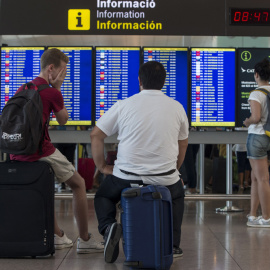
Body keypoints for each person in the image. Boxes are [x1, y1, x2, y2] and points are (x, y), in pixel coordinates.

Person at [91, 61, 189, 263]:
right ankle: (172, 245)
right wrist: (173, 171)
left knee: (103, 196)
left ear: (139, 81)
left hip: (126, 177)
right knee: (177, 196)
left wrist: (102, 167)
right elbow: (183, 145)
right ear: (164, 82)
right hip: (165, 179)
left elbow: (96, 135)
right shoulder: (177, 107)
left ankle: (109, 228)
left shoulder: (124, 105)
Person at [10, 48, 103, 252]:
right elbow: (63, 119)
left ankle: (57, 235)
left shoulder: (23, 87)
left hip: (17, 152)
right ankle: (85, 240)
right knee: (78, 184)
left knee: (46, 189)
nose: (64, 76)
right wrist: (58, 87)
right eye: (63, 72)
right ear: (51, 68)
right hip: (40, 151)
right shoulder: (52, 92)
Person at [244, 58, 270, 227]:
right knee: (255, 176)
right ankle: (253, 215)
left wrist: (247, 121)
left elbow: (256, 117)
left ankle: (266, 218)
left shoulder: (256, 93)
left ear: (256, 74)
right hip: (268, 137)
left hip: (257, 137)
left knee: (262, 179)